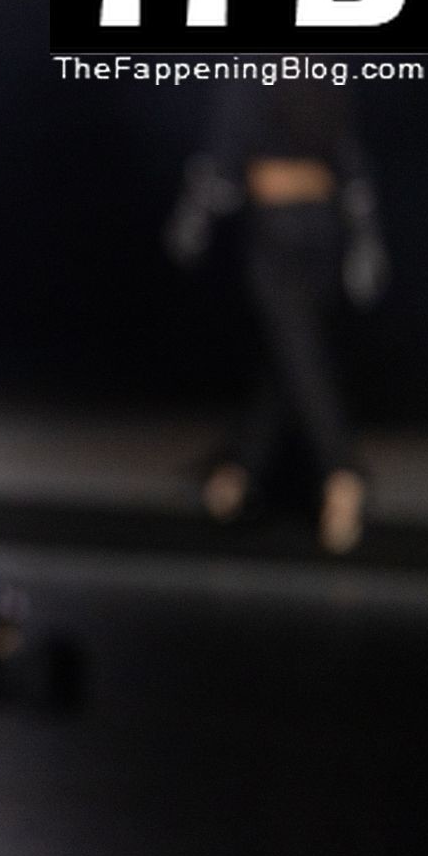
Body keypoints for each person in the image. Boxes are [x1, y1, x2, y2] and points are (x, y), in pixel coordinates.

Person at [165, 81, 388, 554]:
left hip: (290, 229)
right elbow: (348, 157)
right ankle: (237, 474)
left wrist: (196, 211)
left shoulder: (271, 71)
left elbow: (228, 147)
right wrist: (364, 234)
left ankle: (341, 470)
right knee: (291, 357)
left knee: (297, 354)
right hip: (314, 225)